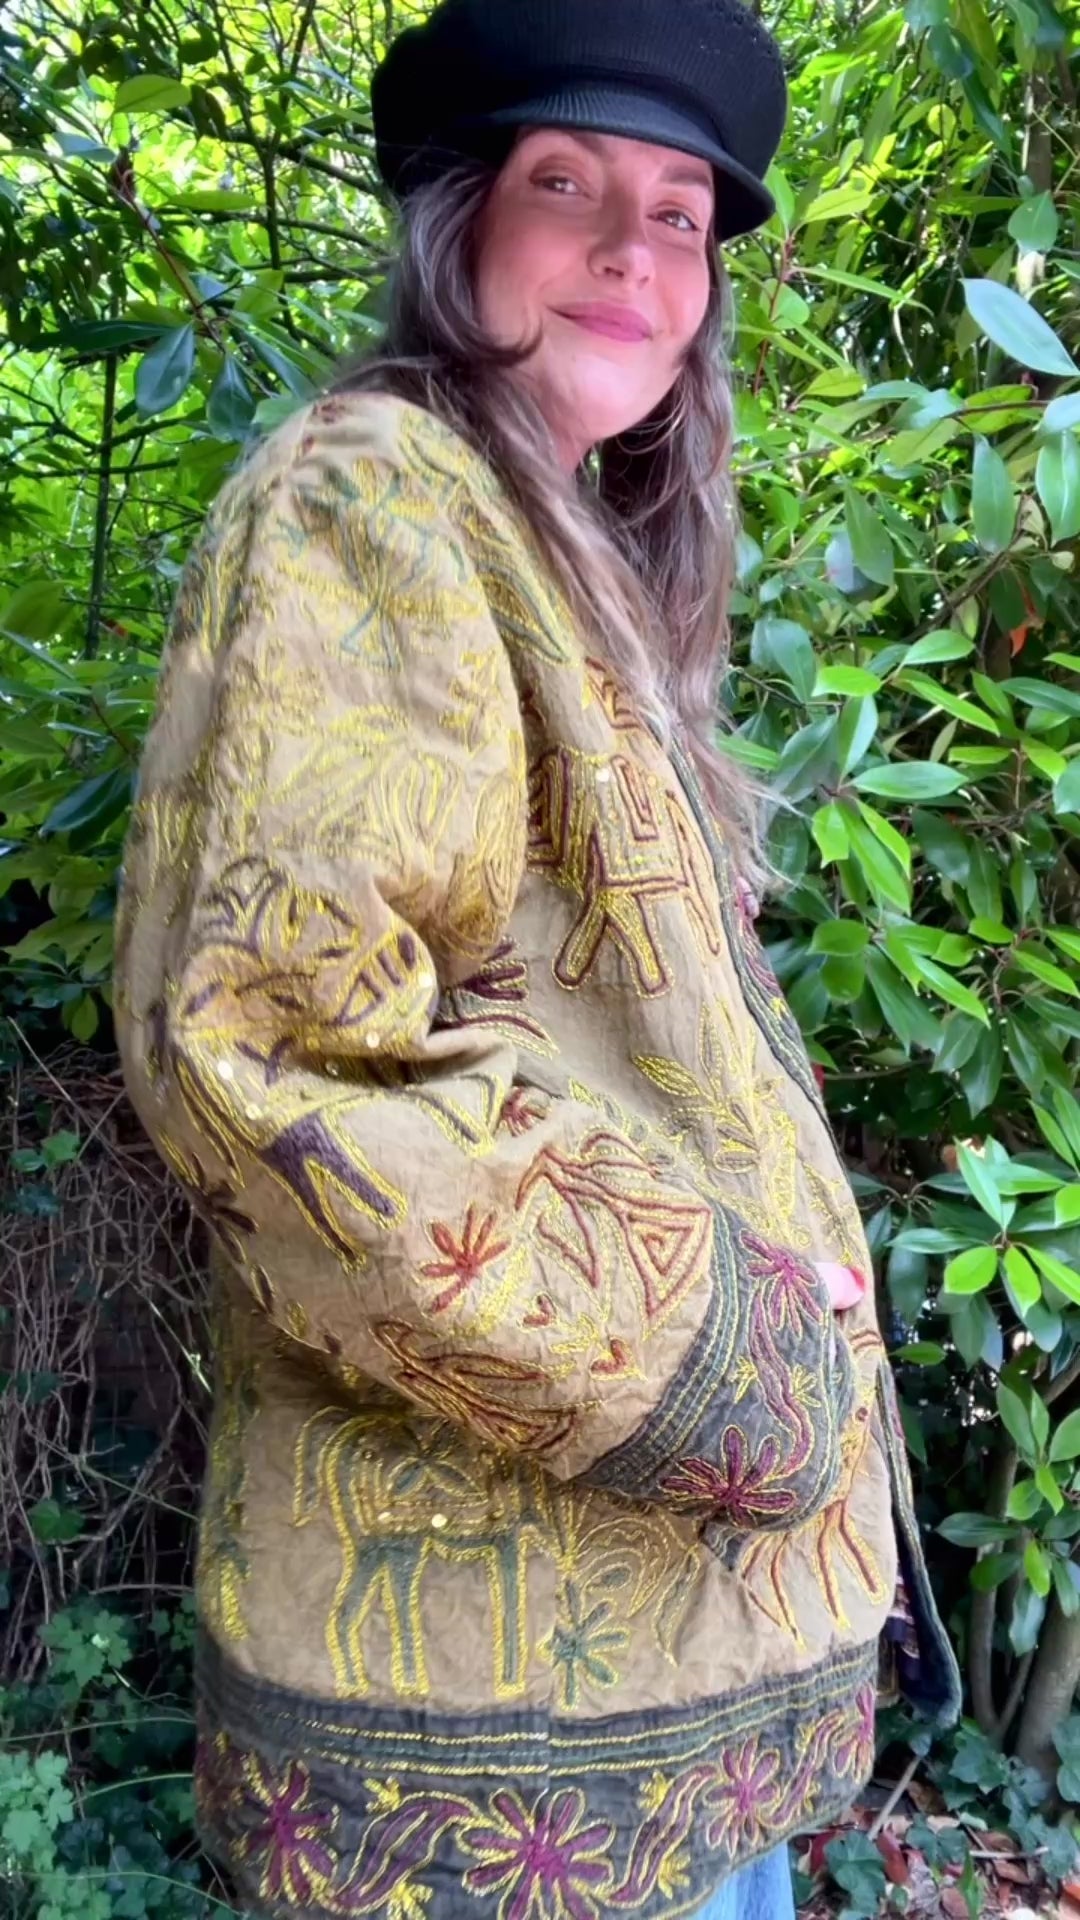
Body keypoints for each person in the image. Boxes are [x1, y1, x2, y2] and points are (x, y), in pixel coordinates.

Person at [114, 1, 960, 1914]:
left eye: (679, 214)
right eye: (566, 183)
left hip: (656, 1649)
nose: (631, 252)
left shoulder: (551, 540)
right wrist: (751, 1354)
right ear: (459, 222)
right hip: (503, 1714)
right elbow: (281, 1050)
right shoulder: (371, 495)